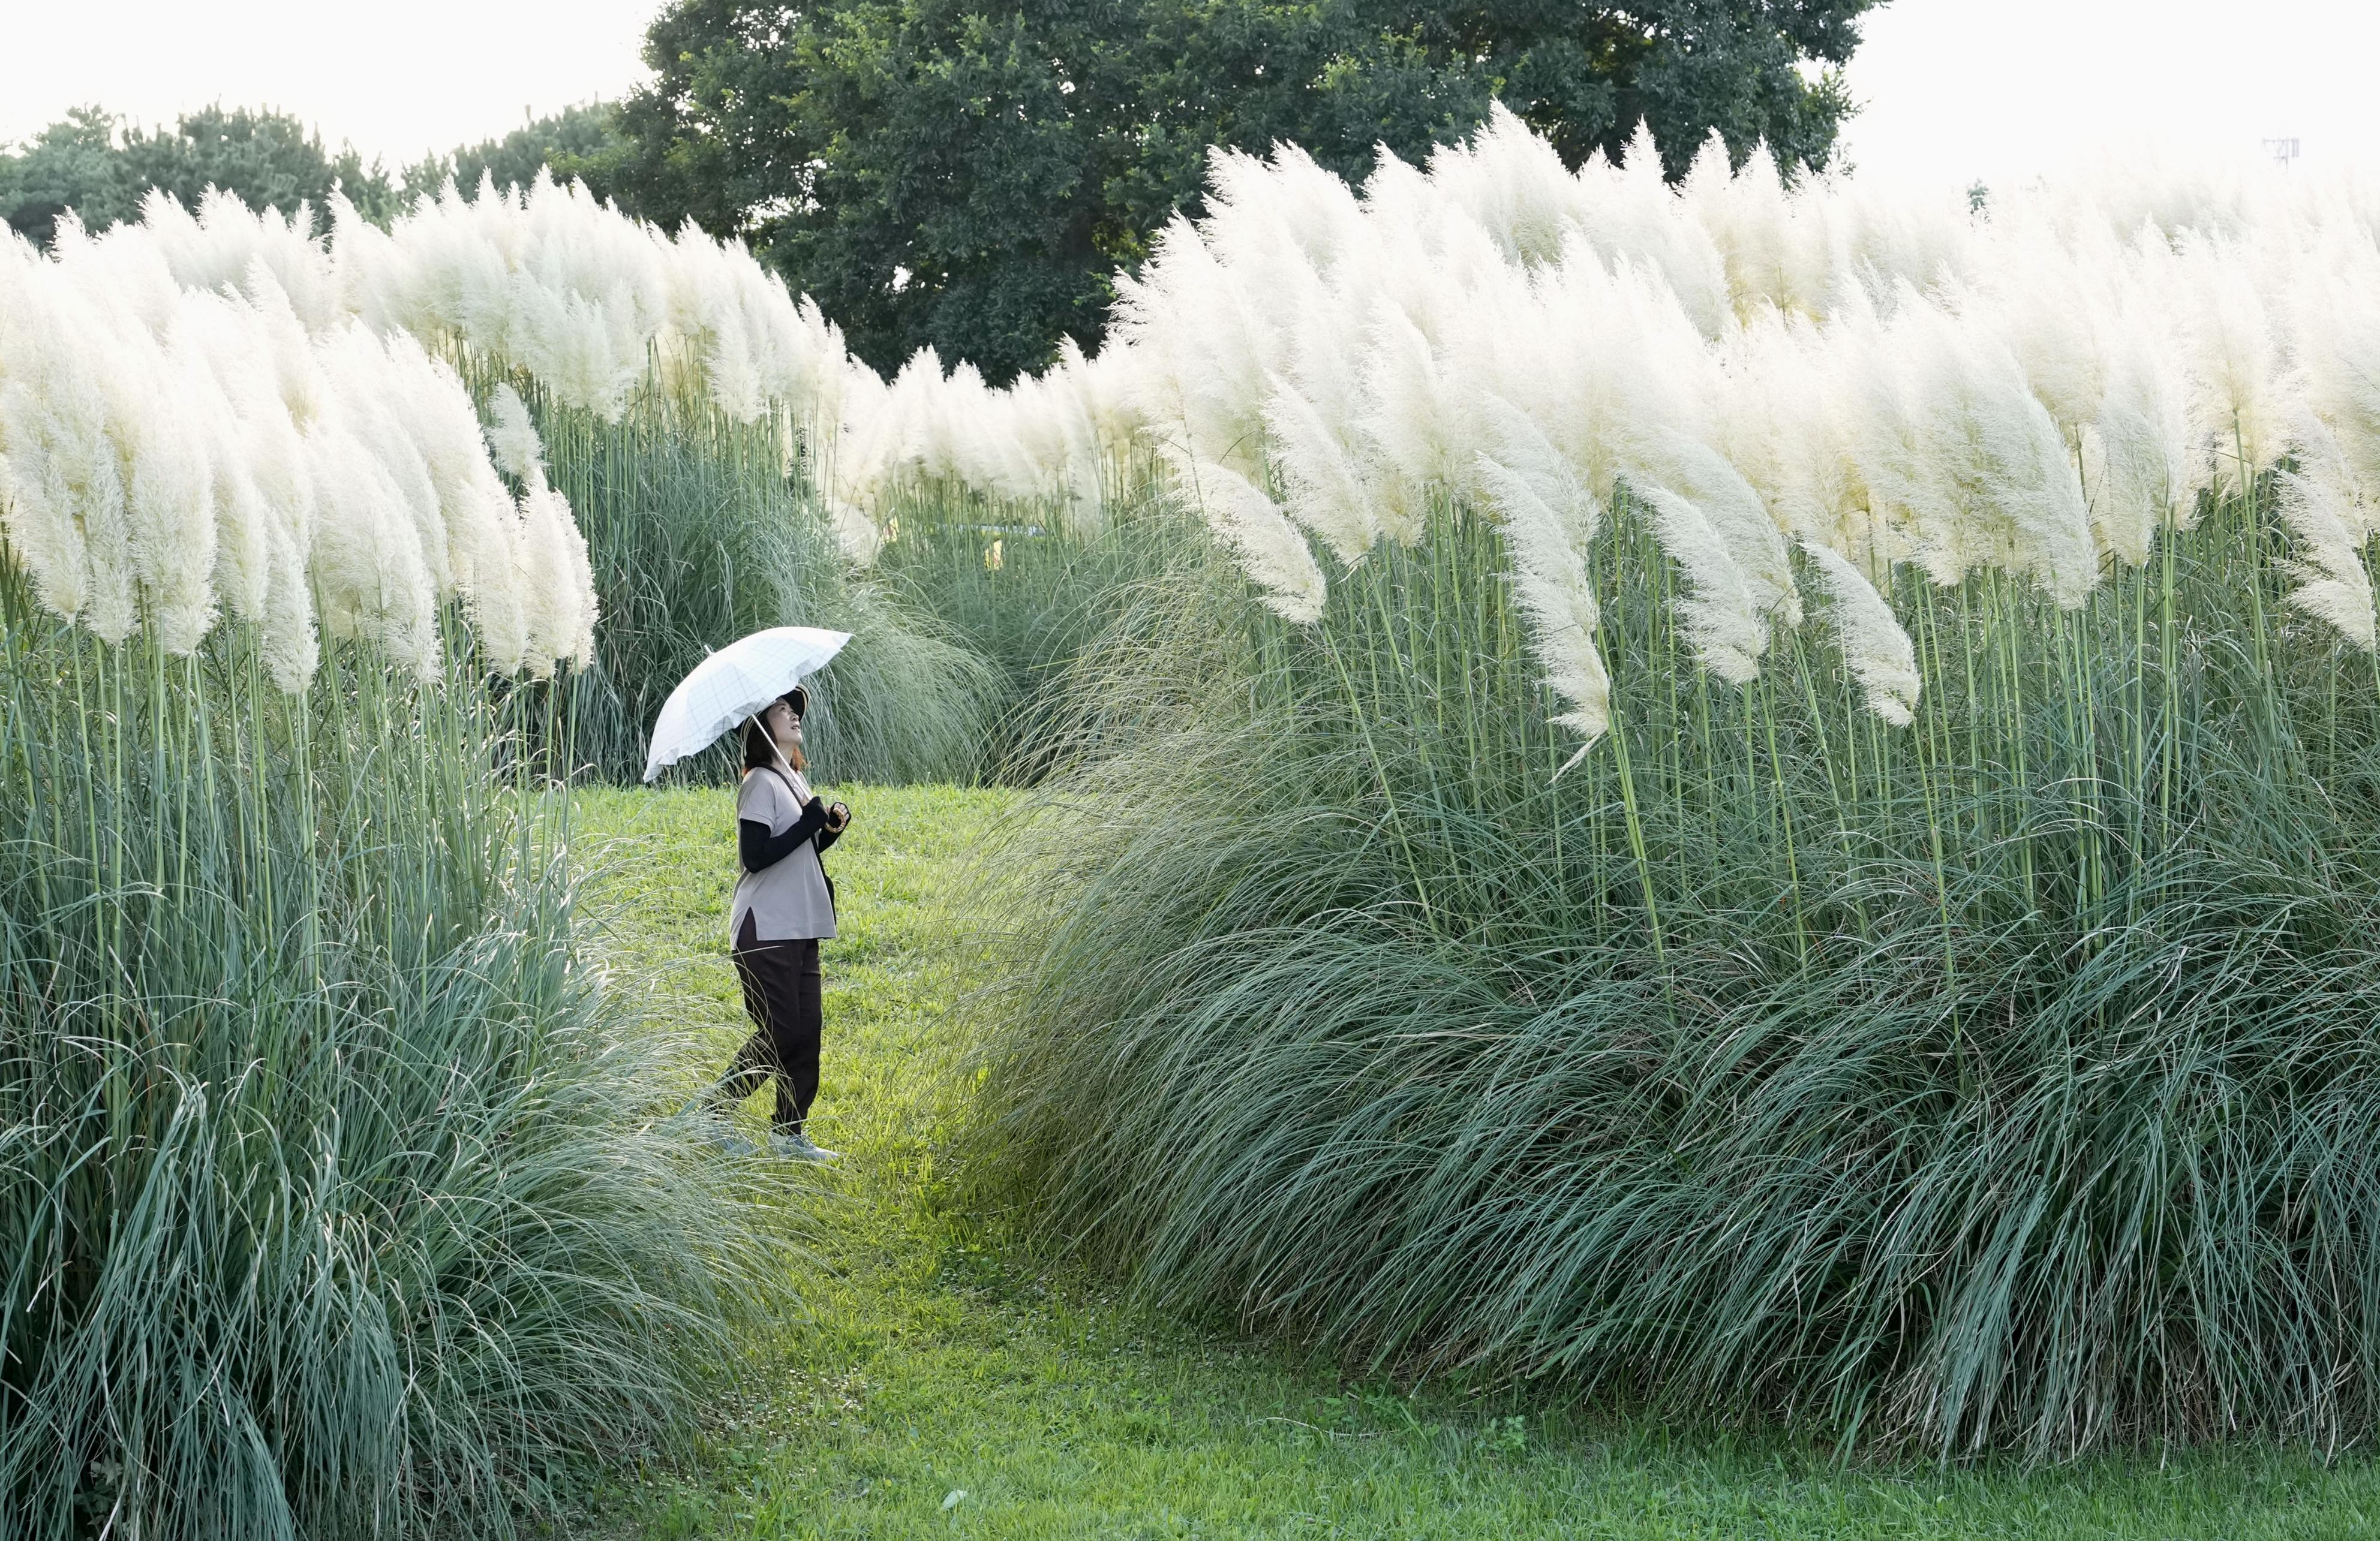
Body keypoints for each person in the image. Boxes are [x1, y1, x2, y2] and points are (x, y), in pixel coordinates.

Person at [692, 684, 851, 1161]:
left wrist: (827, 833)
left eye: (795, 709)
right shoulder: (759, 782)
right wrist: (808, 824)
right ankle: (711, 1114)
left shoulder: (792, 780)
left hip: (800, 926)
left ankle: (789, 1134)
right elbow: (756, 857)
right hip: (765, 929)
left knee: (806, 1032)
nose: (794, 715)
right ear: (762, 727)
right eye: (782, 710)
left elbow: (797, 855)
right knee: (780, 1031)